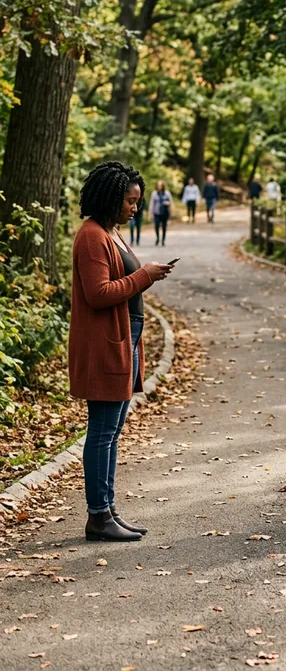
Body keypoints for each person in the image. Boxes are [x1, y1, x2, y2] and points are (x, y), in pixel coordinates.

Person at [69, 162, 173, 541]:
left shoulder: (110, 233)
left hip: (124, 340)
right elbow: (98, 294)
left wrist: (146, 274)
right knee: (102, 431)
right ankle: (98, 515)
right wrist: (145, 275)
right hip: (105, 345)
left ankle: (108, 508)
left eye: (137, 202)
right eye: (129, 201)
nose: (134, 208)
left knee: (112, 431)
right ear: (111, 197)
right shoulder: (92, 237)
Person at [148, 180, 173, 246]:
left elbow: (171, 203)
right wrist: (150, 213)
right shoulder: (154, 193)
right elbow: (152, 204)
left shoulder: (167, 193)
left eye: (161, 185)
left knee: (164, 227)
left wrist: (168, 204)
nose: (159, 187)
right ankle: (158, 238)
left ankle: (163, 240)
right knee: (156, 226)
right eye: (158, 185)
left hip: (164, 213)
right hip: (157, 213)